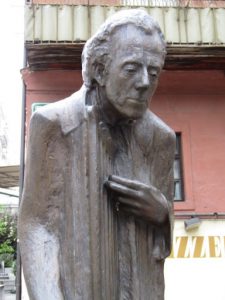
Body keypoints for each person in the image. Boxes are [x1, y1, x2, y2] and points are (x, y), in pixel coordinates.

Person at [19, 9, 175, 300]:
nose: (144, 82)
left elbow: (165, 230)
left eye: (153, 72)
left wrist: (162, 213)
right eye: (131, 69)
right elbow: (37, 227)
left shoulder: (161, 139)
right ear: (99, 70)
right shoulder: (54, 124)